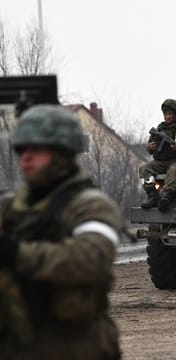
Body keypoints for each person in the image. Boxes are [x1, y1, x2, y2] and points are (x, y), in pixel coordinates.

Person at [0, 105, 123, 359]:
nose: (26, 158)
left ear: (62, 154)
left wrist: (17, 254)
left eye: (37, 150)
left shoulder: (90, 206)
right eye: (22, 150)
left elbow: (92, 259)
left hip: (74, 348)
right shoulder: (10, 208)